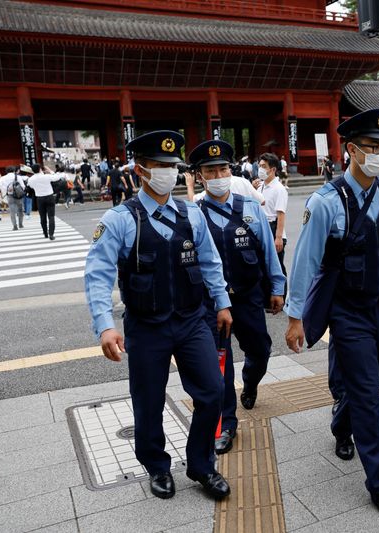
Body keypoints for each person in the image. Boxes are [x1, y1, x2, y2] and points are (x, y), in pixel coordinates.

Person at [284, 109, 379, 525]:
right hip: (346, 311)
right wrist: (295, 316)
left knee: (368, 380)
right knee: (367, 392)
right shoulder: (326, 202)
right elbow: (306, 262)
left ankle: (341, 421)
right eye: (374, 147)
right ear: (351, 150)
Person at [84, 130, 233, 502]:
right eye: (159, 166)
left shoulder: (191, 214)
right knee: (148, 401)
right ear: (140, 170)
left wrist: (222, 301)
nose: (168, 172)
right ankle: (157, 466)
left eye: (172, 166)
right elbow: (97, 274)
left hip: (190, 320)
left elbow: (210, 262)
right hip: (146, 326)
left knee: (213, 391)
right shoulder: (120, 219)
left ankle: (201, 465)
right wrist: (105, 325)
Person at [188, 139, 286, 455]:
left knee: (261, 349)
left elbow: (268, 252)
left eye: (222, 169)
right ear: (199, 176)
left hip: (247, 298)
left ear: (230, 171)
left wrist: (277, 287)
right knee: (219, 366)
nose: (217, 175)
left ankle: (252, 381)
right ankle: (226, 424)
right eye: (209, 170)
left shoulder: (250, 209)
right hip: (212, 305)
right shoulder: (193, 213)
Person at [257, 153, 289, 286]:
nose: (260, 169)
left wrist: (279, 237)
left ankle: (281, 296)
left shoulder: (279, 189)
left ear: (273, 169)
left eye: (264, 166)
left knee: (277, 267)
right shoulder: (260, 186)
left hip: (274, 227)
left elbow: (280, 214)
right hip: (262, 228)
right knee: (264, 266)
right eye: (259, 166)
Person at [28, 165, 67, 239]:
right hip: (49, 197)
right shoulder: (46, 176)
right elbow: (57, 177)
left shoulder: (31, 179)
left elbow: (31, 186)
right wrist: (50, 171)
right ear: (40, 169)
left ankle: (45, 233)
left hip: (39, 198)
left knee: (42, 217)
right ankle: (51, 234)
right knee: (51, 216)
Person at [0, 165, 28, 230]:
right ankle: (20, 224)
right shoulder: (18, 177)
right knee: (20, 210)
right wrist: (19, 191)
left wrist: (5, 190)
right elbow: (23, 186)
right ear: (14, 170)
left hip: (10, 195)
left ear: (7, 171)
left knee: (12, 211)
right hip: (18, 196)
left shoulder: (3, 177)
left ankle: (14, 226)